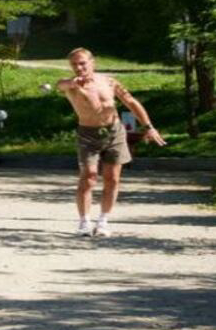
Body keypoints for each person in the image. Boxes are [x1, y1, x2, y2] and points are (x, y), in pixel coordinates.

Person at [56, 48, 166, 236]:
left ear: (92, 62)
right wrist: (72, 82)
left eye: (82, 63)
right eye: (74, 64)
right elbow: (60, 85)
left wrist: (149, 127)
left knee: (112, 178)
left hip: (114, 132)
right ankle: (84, 222)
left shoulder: (109, 82)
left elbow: (131, 102)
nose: (79, 67)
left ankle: (103, 221)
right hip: (88, 134)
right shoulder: (71, 85)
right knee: (89, 177)